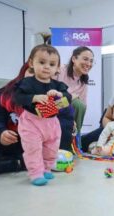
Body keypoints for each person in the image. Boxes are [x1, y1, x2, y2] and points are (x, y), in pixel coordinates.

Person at [14, 44, 71, 186]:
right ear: (31, 63)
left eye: (52, 64)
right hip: (31, 122)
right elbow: (17, 97)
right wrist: (33, 98)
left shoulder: (58, 85)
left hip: (52, 123)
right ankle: (35, 173)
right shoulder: (27, 83)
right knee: (33, 148)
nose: (46, 67)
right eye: (42, 62)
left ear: (58, 68)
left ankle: (46, 169)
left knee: (51, 148)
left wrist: (59, 95)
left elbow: (67, 98)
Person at [54, 46, 94, 134]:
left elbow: (82, 107)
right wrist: (70, 98)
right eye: (85, 59)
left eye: (91, 61)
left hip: (68, 115)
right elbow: (49, 106)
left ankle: (76, 140)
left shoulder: (83, 82)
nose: (88, 64)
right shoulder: (59, 70)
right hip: (50, 110)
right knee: (77, 103)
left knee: (79, 105)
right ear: (74, 59)